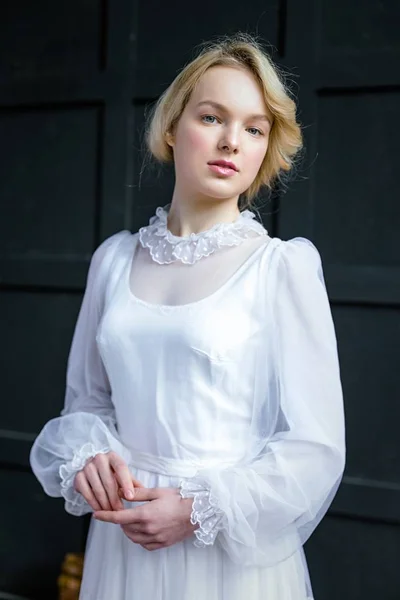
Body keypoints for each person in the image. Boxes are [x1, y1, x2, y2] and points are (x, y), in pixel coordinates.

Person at [30, 33, 346, 600]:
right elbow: (87, 403)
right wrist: (90, 457)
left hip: (225, 553)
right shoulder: (113, 260)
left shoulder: (280, 268)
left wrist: (199, 510)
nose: (232, 141)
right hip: (123, 542)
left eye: (254, 128)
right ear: (173, 128)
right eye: (212, 117)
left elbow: (314, 450)